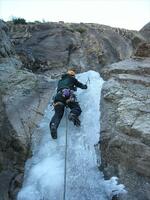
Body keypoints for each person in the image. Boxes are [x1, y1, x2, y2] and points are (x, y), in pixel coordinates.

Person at [49, 69, 87, 139]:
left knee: (58, 114)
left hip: (58, 97)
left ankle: (53, 126)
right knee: (76, 108)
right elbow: (80, 85)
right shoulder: (72, 78)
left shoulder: (60, 81)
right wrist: (85, 86)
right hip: (68, 94)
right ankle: (73, 114)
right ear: (72, 75)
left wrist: (73, 88)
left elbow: (67, 86)